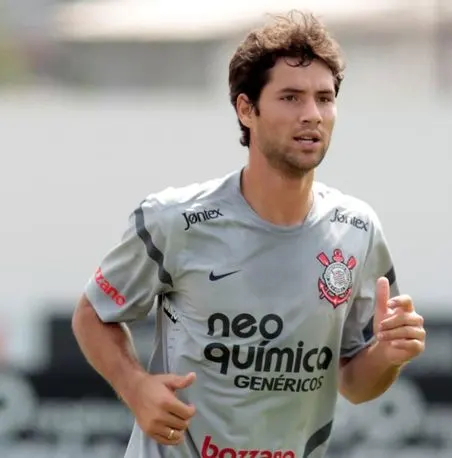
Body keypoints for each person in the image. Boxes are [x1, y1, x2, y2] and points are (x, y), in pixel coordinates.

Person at [71, 10, 426, 458]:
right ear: (246, 109)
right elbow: (92, 314)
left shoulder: (356, 230)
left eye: (325, 98)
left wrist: (389, 355)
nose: (312, 114)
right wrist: (136, 387)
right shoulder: (174, 221)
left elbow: (355, 383)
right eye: (291, 98)